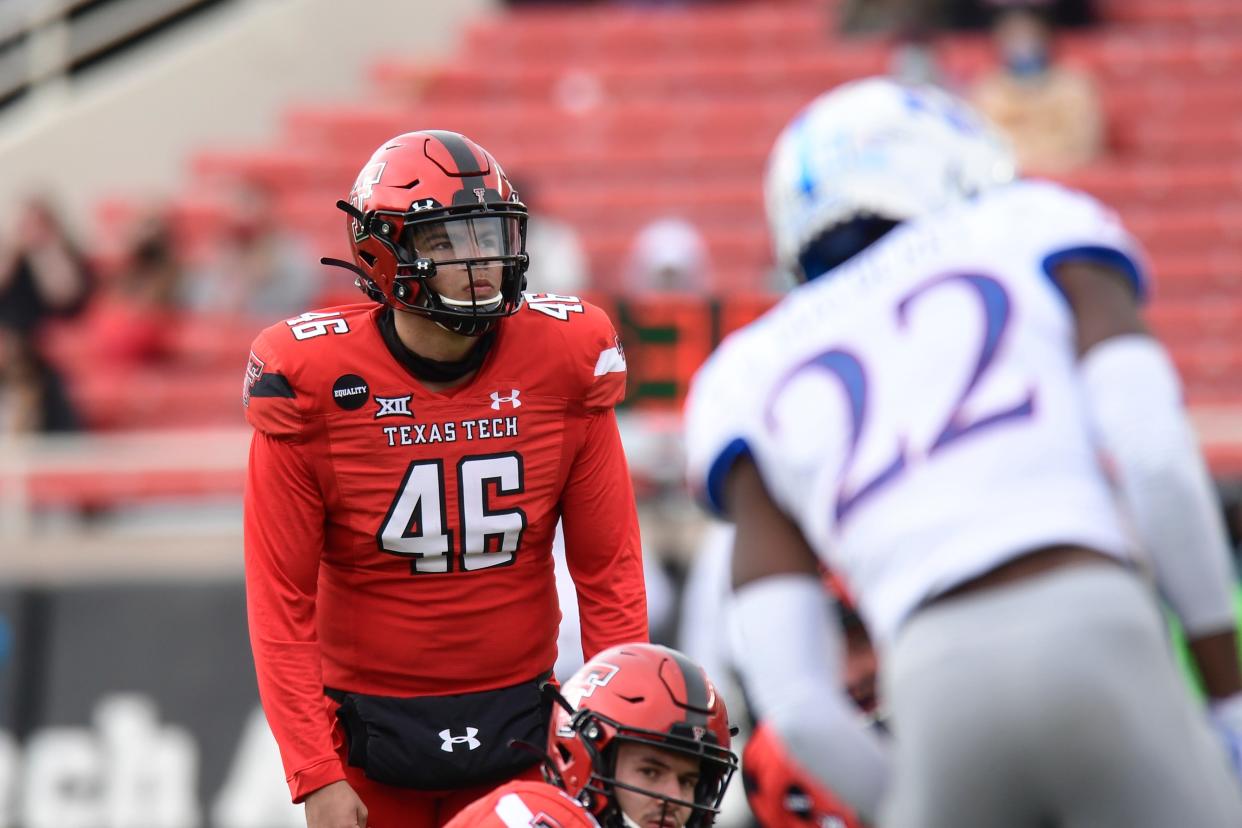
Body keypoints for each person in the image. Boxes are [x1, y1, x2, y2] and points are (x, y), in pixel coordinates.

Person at [684, 77, 1242, 826]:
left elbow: (798, 703)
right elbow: (1157, 460)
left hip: (931, 680)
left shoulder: (747, 369)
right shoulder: (1030, 225)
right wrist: (1227, 693)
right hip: (1091, 620)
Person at [242, 130, 648, 828]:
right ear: (382, 251)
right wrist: (314, 773)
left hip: (525, 722)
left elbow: (608, 572)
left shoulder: (565, 359)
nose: (480, 261)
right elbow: (280, 602)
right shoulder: (313, 382)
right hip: (366, 739)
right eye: (447, 242)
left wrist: (614, 732)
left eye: (488, 234)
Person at [445, 643, 739, 828]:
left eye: (688, 781)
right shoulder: (531, 813)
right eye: (650, 772)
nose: (674, 798)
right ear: (586, 763)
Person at [970, 4, 1103, 174]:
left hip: (1066, 180)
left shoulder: (1073, 86)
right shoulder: (988, 90)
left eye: (1029, 36)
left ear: (1045, 37)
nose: (1022, 46)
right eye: (1013, 37)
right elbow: (984, 146)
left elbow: (1084, 146)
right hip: (1010, 181)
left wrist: (1043, 163)